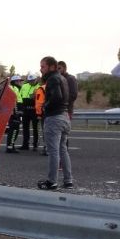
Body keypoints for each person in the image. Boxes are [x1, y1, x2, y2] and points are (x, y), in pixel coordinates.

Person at [38, 56, 72, 190]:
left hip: (54, 118)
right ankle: (68, 180)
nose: (41, 69)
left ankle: (52, 181)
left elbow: (56, 97)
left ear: (51, 67)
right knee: (63, 149)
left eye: (43, 66)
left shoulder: (52, 79)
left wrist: (45, 106)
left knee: (53, 151)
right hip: (64, 116)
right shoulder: (63, 78)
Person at [18, 74, 40, 150]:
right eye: (30, 81)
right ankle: (25, 145)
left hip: (34, 110)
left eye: (33, 81)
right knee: (25, 128)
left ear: (36, 79)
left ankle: (35, 145)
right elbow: (20, 96)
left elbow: (39, 99)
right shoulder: (24, 86)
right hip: (25, 109)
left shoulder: (38, 87)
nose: (31, 82)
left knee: (35, 128)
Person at [5, 75, 24, 153]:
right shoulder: (13, 88)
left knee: (14, 130)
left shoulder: (17, 88)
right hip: (14, 113)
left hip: (16, 112)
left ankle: (10, 146)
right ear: (15, 81)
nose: (20, 82)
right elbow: (14, 101)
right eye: (19, 81)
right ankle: (10, 147)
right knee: (14, 130)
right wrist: (16, 113)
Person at [34, 79, 47, 155]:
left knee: (45, 131)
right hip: (57, 112)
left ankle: (46, 148)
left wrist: (39, 113)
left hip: (45, 113)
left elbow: (39, 102)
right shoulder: (58, 85)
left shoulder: (42, 88)